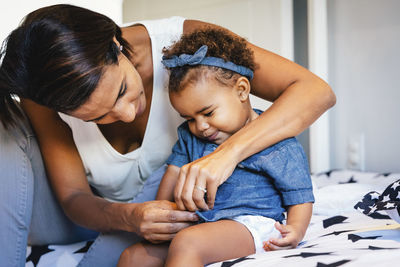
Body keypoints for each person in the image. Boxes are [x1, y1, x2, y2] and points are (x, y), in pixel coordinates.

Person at [0, 4, 335, 267]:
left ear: (117, 45)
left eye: (121, 91)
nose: (127, 115)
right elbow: (74, 199)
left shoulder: (190, 50)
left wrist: (225, 155)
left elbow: (316, 92)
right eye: (97, 117)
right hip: (90, 215)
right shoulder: (45, 97)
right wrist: (129, 217)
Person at [117, 28, 314, 267]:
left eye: (208, 112)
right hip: (198, 225)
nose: (200, 126)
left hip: (251, 223)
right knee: (133, 257)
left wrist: (295, 230)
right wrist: (164, 216)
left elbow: (300, 196)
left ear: (241, 90)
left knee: (189, 244)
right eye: (189, 118)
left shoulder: (277, 141)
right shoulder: (189, 138)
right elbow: (173, 174)